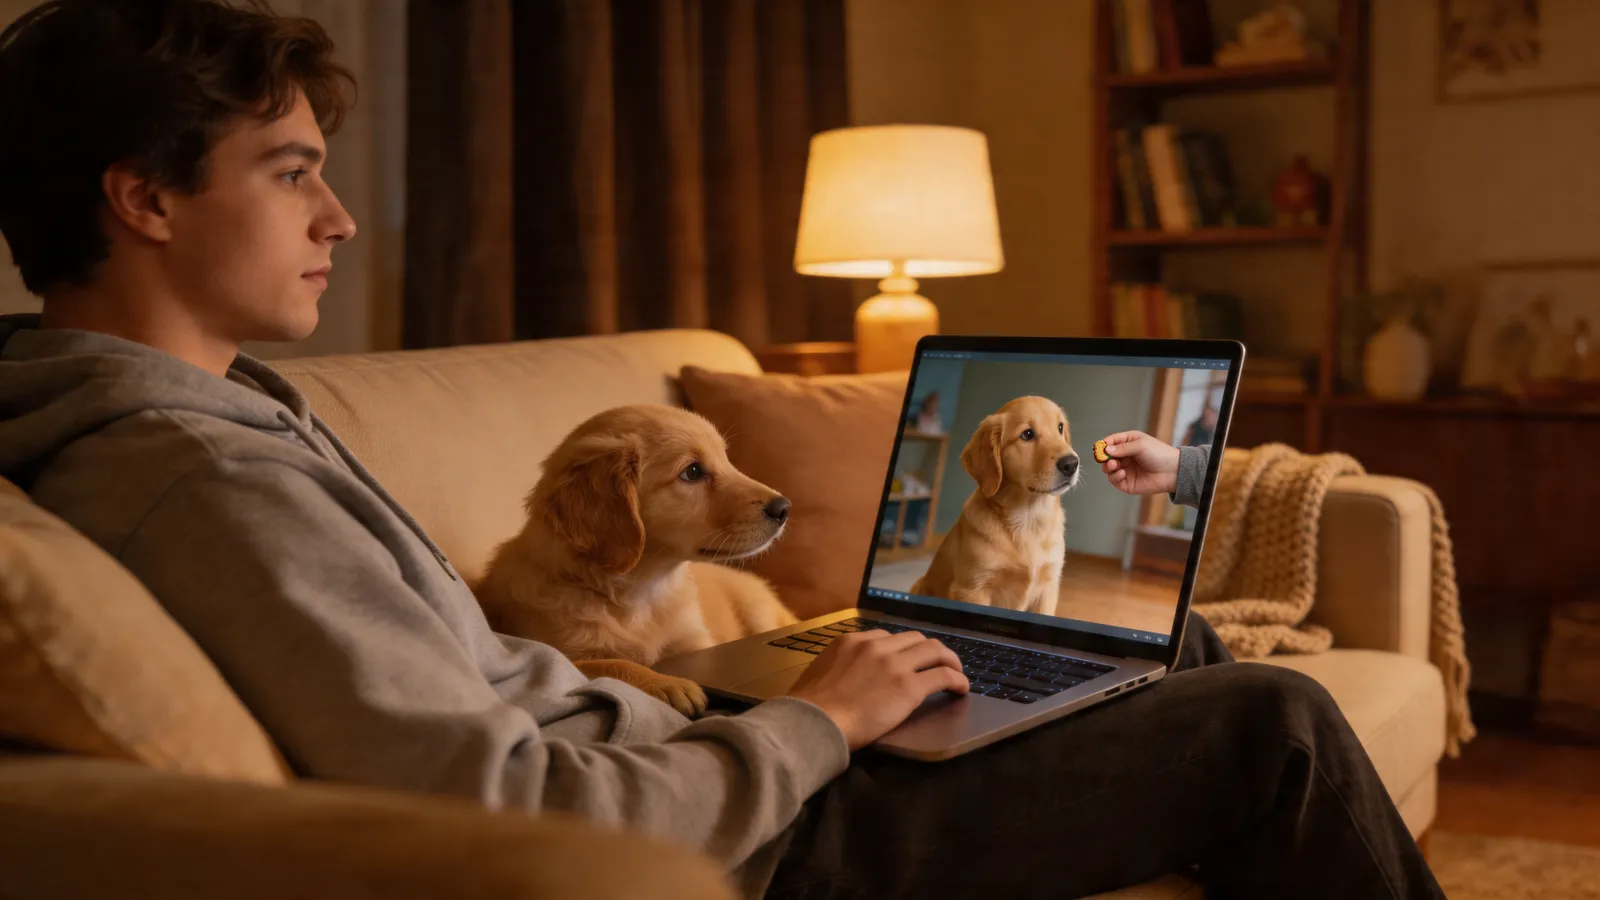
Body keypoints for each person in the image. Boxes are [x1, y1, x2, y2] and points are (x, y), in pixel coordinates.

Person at [0, 3, 1445, 898]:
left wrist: (756, 694)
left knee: (1154, 654)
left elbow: (488, 689)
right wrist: (817, 725)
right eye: (292, 172)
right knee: (1275, 726)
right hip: (745, 840)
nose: (342, 221)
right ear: (144, 199)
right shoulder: (199, 476)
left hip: (703, 743)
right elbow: (499, 799)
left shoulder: (226, 415)